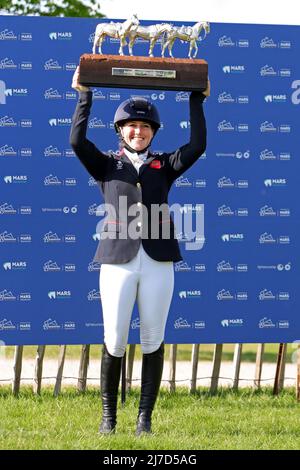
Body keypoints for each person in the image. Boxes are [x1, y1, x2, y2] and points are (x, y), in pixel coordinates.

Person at [70, 66, 209, 435]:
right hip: (116, 262)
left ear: (153, 132)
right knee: (114, 339)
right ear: (120, 130)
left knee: (152, 339)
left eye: (145, 126)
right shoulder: (106, 165)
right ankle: (108, 419)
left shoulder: (165, 166)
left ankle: (144, 419)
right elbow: (76, 142)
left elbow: (197, 146)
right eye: (131, 125)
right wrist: (85, 96)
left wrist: (197, 99)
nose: (138, 130)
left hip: (159, 262)